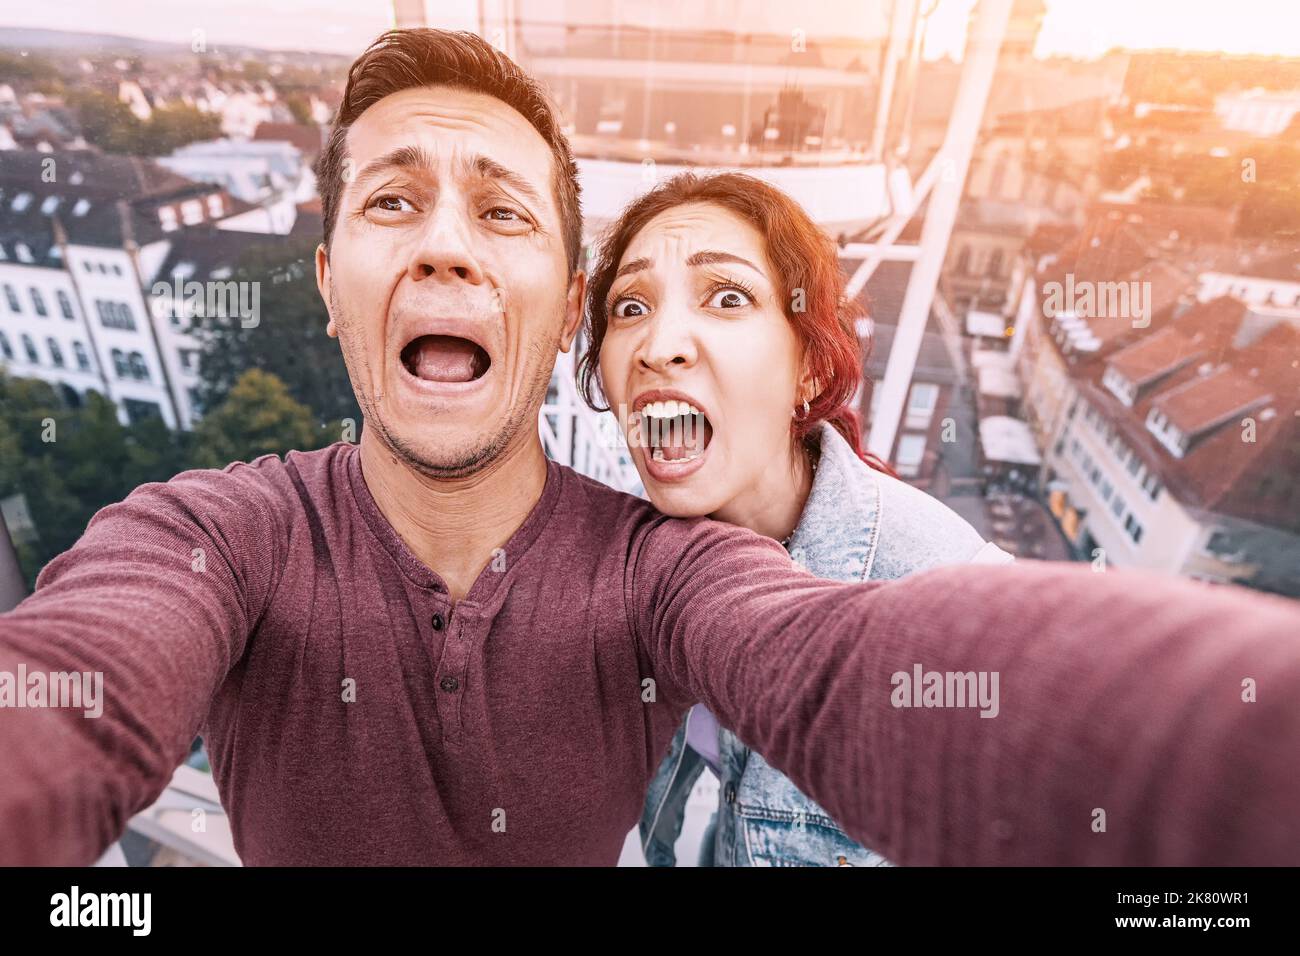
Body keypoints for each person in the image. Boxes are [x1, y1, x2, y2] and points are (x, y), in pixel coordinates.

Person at [0, 29, 1298, 867]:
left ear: (558, 304)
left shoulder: (662, 569)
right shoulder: (209, 536)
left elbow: (841, 663)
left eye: (502, 211)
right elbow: (80, 678)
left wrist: (1234, 750)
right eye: (395, 200)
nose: (446, 244)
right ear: (331, 282)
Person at [579, 170, 1014, 867]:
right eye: (630, 306)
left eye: (727, 297)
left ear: (809, 367)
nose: (658, 345)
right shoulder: (640, 558)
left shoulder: (943, 606)